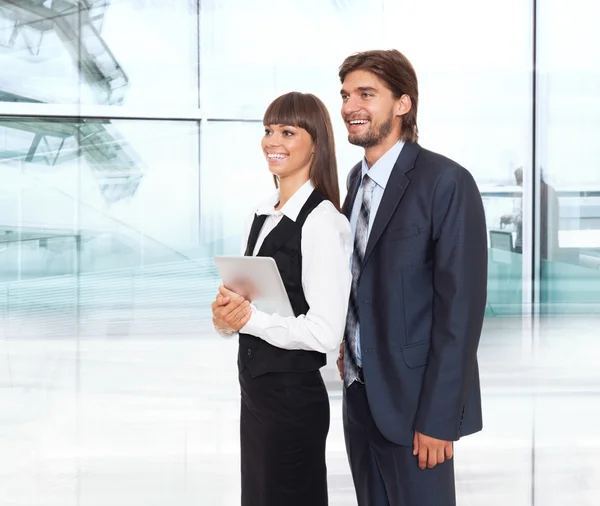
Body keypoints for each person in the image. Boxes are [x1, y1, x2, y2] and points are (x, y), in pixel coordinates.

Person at [335, 49, 488, 506]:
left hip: (416, 405)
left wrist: (440, 418)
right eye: (344, 95)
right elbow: (363, 277)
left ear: (403, 104)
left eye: (366, 94)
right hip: (359, 396)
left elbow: (459, 314)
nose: (349, 107)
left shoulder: (446, 182)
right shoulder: (354, 182)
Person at [210, 91, 353, 506]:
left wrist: (248, 319)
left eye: (288, 131)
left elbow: (326, 332)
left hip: (292, 402)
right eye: (269, 130)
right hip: (256, 395)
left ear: (316, 143)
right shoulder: (259, 215)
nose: (273, 140)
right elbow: (248, 305)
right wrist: (224, 319)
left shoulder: (324, 222)